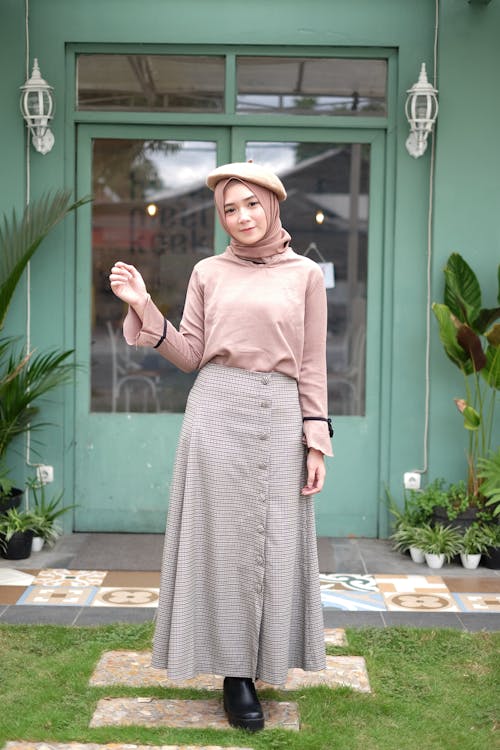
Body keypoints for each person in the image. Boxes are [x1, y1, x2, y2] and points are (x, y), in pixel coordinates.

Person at [109, 161, 333, 732]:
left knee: (275, 544)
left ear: (272, 205)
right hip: (216, 411)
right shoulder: (208, 271)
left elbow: (311, 363)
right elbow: (190, 354)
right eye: (229, 209)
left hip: (281, 413)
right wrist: (142, 304)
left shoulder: (305, 274)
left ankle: (265, 660)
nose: (241, 217)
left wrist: (315, 440)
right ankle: (236, 676)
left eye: (250, 204)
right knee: (222, 544)